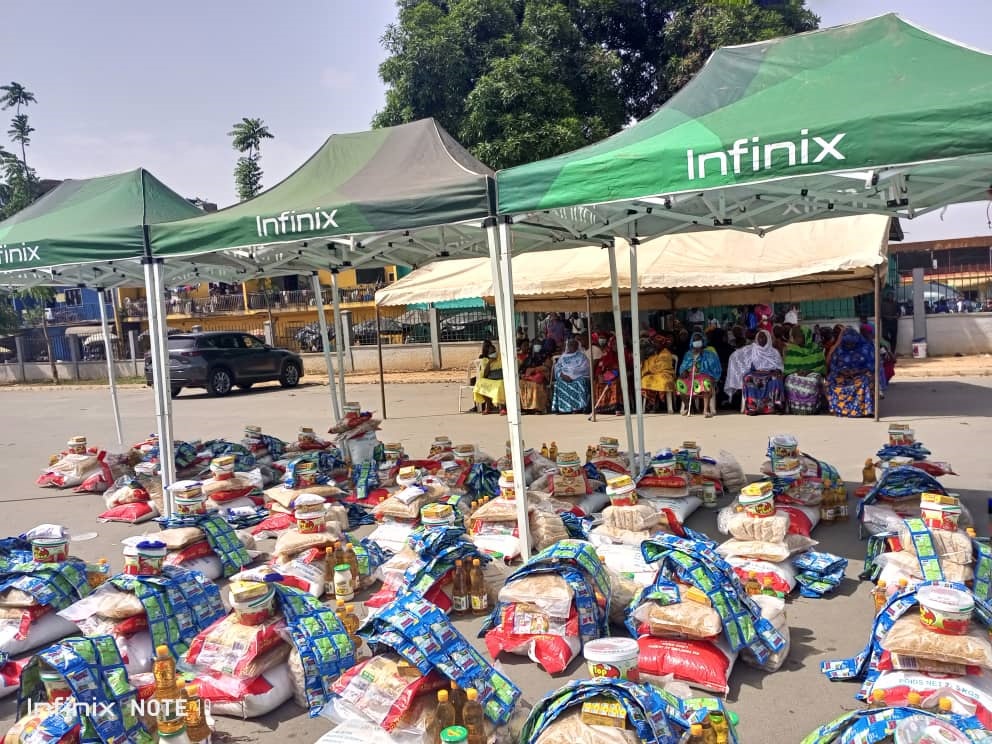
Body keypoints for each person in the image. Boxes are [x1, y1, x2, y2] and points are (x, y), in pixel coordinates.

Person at [826, 326, 877, 418]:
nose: (849, 346)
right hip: (843, 375)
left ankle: (864, 410)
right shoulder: (839, 349)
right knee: (830, 380)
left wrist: (858, 371)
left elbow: (871, 366)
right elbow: (833, 365)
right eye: (847, 343)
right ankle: (837, 409)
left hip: (860, 374)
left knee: (866, 380)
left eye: (851, 343)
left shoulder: (866, 349)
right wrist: (842, 372)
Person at [740, 329, 786, 415]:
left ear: (768, 338)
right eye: (759, 337)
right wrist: (753, 369)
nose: (761, 339)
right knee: (748, 378)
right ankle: (752, 407)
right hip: (756, 373)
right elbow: (747, 365)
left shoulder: (774, 352)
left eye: (763, 337)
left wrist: (777, 370)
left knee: (776, 379)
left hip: (770, 373)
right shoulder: (752, 350)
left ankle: (776, 407)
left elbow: (780, 366)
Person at [676, 332, 722, 418]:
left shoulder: (709, 354)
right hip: (690, 376)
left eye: (698, 340)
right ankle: (688, 407)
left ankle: (705, 410)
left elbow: (714, 366)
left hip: (704, 375)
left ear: (702, 341)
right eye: (695, 340)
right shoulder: (688, 354)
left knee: (706, 383)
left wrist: (701, 361)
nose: (697, 342)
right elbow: (683, 366)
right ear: (692, 342)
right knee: (680, 382)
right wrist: (684, 371)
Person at [783, 325, 826, 415]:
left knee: (813, 382)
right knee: (789, 380)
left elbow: (820, 366)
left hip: (813, 373)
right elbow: (789, 366)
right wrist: (796, 371)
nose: (796, 339)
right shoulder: (792, 348)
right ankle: (794, 408)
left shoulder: (816, 348)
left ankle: (811, 408)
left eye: (799, 337)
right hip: (796, 373)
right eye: (795, 337)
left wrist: (809, 371)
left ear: (807, 337)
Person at [551, 338, 592, 414]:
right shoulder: (563, 357)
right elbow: (557, 368)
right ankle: (564, 408)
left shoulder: (582, 356)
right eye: (570, 345)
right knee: (558, 383)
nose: (571, 346)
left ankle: (578, 408)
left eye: (573, 344)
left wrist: (572, 374)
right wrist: (563, 375)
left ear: (577, 346)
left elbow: (585, 368)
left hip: (578, 377)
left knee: (580, 383)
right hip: (564, 377)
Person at [640, 335, 676, 413]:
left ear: (661, 344)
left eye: (657, 343)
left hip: (665, 373)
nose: (654, 345)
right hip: (654, 374)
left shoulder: (666, 353)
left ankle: (659, 404)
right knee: (645, 380)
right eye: (654, 343)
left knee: (663, 381)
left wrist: (650, 369)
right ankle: (652, 403)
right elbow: (648, 363)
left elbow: (661, 367)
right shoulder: (653, 353)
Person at [473, 341, 507, 415]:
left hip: (500, 379)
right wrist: (490, 362)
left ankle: (502, 408)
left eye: (494, 351)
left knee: (500, 385)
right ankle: (488, 406)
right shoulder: (485, 360)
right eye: (491, 352)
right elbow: (485, 374)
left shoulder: (500, 357)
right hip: (491, 379)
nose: (493, 353)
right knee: (480, 384)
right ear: (488, 353)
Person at [519, 340, 552, 414]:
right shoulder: (530, 356)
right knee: (520, 383)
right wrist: (523, 374)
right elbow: (523, 368)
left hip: (540, 377)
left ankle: (538, 408)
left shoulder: (545, 355)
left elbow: (547, 367)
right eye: (535, 344)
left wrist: (535, 369)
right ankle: (526, 408)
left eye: (538, 344)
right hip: (529, 377)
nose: (537, 346)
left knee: (536, 385)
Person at [593, 335, 623, 414]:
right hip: (607, 375)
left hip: (619, 375)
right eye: (614, 344)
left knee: (615, 383)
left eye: (617, 344)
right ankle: (602, 407)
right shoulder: (607, 353)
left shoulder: (624, 353)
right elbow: (600, 366)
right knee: (598, 383)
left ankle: (616, 408)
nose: (615, 346)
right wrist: (599, 375)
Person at [881, 290, 900, 354]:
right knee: (884, 335)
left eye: (892, 295)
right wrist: (886, 317)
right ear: (887, 296)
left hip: (894, 323)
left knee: (894, 337)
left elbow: (899, 312)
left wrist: (897, 316)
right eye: (889, 295)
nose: (891, 297)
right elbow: (881, 313)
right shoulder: (883, 304)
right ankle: (890, 342)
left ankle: (892, 352)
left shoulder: (896, 303)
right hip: (886, 323)